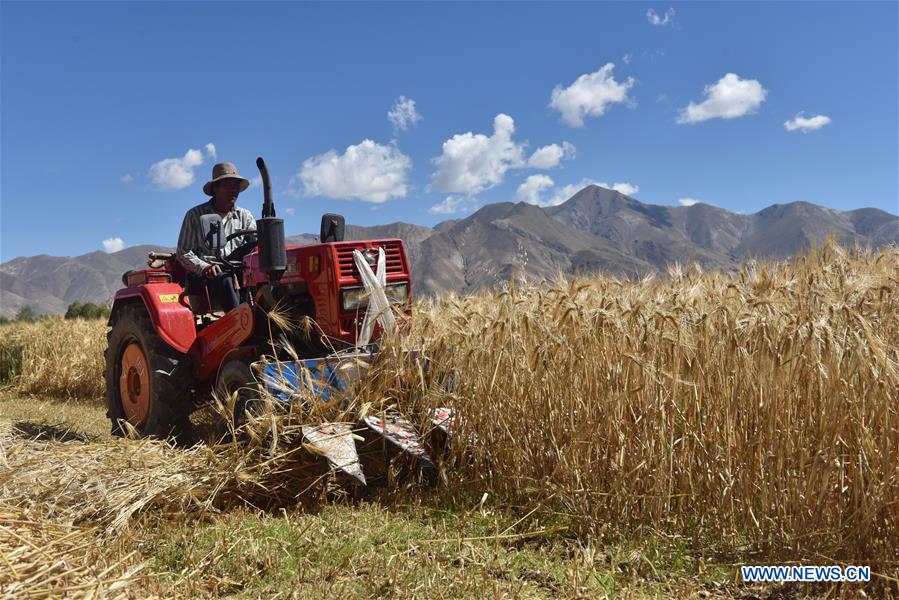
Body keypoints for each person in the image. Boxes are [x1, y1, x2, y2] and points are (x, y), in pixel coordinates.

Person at [177, 162, 256, 312]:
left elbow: (254, 244)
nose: (233, 190)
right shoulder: (195, 215)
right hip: (206, 276)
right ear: (215, 189)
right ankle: (239, 324)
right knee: (225, 279)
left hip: (239, 270)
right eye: (227, 185)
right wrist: (205, 267)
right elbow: (183, 252)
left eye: (236, 186)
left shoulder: (245, 216)